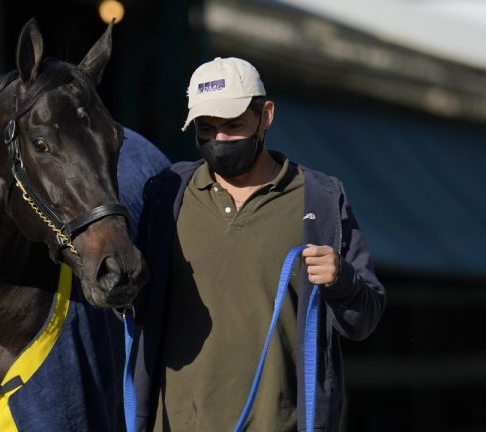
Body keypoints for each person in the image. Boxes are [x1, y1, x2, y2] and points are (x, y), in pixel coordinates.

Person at [132, 57, 386, 431]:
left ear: (266, 115)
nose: (219, 140)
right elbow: (130, 303)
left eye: (233, 125)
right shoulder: (167, 194)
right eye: (206, 128)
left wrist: (341, 279)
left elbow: (365, 319)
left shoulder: (319, 199)